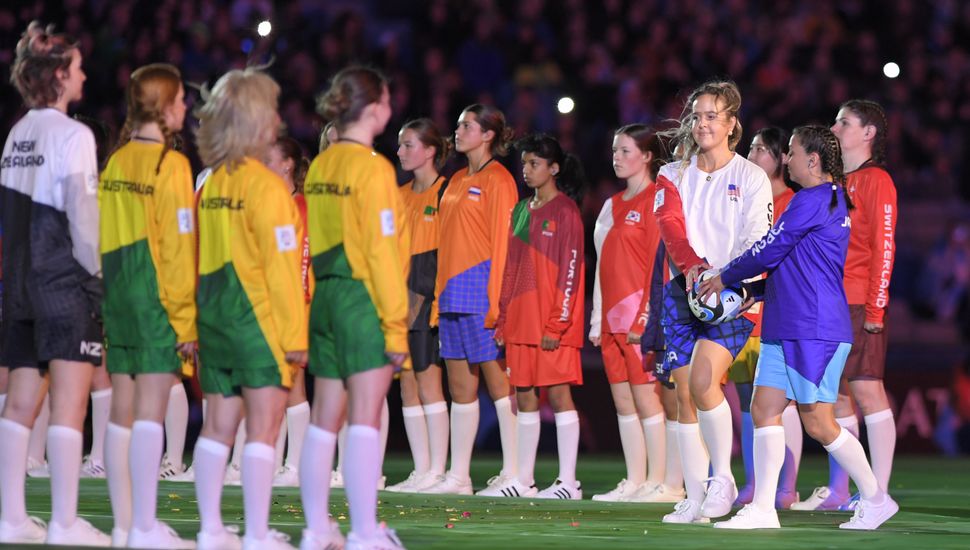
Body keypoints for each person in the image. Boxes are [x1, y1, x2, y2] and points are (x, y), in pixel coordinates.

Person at [703, 125, 899, 530]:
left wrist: (725, 277)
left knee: (818, 422)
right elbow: (789, 261)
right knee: (764, 409)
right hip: (788, 323)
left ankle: (876, 497)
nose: (786, 159)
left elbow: (771, 248)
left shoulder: (813, 199)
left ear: (813, 160)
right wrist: (755, 289)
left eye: (791, 153)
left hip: (813, 327)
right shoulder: (822, 199)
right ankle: (762, 509)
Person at [0, 21, 110, 546]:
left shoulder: (17, 132)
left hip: (18, 282)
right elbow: (84, 222)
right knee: (71, 403)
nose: (85, 73)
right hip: (62, 283)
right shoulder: (75, 135)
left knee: (20, 400)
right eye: (80, 66)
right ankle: (65, 523)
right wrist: (98, 279)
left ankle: (11, 517)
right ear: (61, 75)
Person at [192, 67, 306, 550]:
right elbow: (282, 271)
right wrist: (296, 337)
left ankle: (211, 530)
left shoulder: (211, 183)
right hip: (258, 319)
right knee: (264, 426)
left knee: (217, 426)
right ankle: (258, 533)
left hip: (213, 318)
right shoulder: (268, 188)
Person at [653, 80, 773, 523]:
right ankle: (696, 494)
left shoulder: (751, 176)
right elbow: (670, 225)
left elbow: (756, 241)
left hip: (733, 295)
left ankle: (722, 479)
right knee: (685, 394)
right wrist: (694, 270)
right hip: (683, 289)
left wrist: (725, 281)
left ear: (731, 123)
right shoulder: (672, 172)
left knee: (705, 381)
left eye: (712, 115)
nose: (702, 123)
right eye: (697, 115)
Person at [301, 66, 407, 550]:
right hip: (361, 298)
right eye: (386, 97)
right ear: (374, 106)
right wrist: (395, 326)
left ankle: (317, 530)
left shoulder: (322, 165)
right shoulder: (373, 168)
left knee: (324, 418)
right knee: (364, 416)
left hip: (323, 297)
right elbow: (382, 253)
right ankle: (365, 532)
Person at [99, 63, 197, 548]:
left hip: (118, 297)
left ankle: (124, 526)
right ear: (162, 105)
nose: (185, 108)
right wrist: (185, 319)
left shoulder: (116, 162)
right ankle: (144, 528)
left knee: (121, 412)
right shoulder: (171, 165)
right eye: (180, 99)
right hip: (157, 300)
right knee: (148, 415)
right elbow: (178, 249)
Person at [793, 100, 899, 512]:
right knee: (837, 398)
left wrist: (875, 310)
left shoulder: (876, 181)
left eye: (844, 122)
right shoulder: (836, 182)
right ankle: (845, 490)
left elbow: (884, 246)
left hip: (858, 301)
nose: (834, 127)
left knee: (868, 392)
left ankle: (879, 491)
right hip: (831, 302)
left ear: (868, 133)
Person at [425, 104, 519, 496]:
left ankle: (515, 472)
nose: (458, 131)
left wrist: (498, 303)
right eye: (459, 124)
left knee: (499, 383)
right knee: (460, 387)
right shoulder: (455, 179)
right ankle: (459, 476)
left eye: (467, 125)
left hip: (482, 292)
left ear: (488, 136)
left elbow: (504, 244)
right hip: (450, 294)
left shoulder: (500, 180)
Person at [489, 133, 586, 499]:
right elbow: (510, 270)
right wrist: (502, 319)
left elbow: (572, 270)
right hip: (519, 322)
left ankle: (568, 482)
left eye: (534, 164)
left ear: (554, 168)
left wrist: (557, 324)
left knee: (559, 398)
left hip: (551, 326)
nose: (526, 171)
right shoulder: (520, 210)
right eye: (524, 164)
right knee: (525, 398)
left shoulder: (566, 212)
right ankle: (524, 479)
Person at [589, 124, 676, 503]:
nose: (617, 158)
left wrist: (645, 318)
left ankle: (659, 481)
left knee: (647, 400)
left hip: (640, 318)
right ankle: (634, 480)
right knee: (623, 402)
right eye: (614, 151)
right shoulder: (611, 204)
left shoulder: (657, 200)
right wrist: (596, 318)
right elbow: (601, 265)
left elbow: (658, 268)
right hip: (610, 318)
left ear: (647, 156)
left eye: (626, 151)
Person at [732, 127, 803, 509]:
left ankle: (786, 487)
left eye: (761, 148)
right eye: (752, 147)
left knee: (781, 401)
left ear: (780, 159)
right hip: (743, 309)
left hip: (775, 309)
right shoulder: (744, 197)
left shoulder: (794, 201)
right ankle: (753, 482)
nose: (752, 153)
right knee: (747, 399)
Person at [386, 118, 453, 493]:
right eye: (400, 145)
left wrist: (436, 301)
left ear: (429, 151)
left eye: (408, 145)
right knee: (407, 385)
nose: (400, 152)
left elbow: (451, 252)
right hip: (400, 295)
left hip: (428, 293)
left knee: (429, 382)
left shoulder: (446, 192)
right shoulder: (398, 194)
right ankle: (420, 470)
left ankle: (438, 472)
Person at [265, 136, 312, 488]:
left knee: (294, 385)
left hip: (294, 305)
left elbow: (302, 260)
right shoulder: (269, 202)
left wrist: (294, 307)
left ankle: (296, 465)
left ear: (287, 164)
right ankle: (276, 461)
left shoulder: (301, 206)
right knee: (273, 385)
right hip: (268, 306)